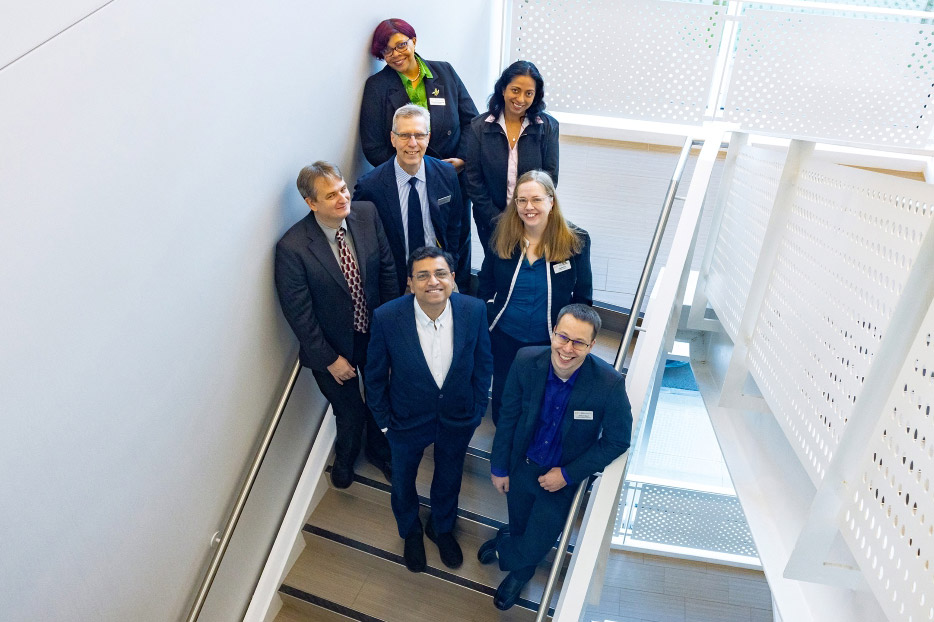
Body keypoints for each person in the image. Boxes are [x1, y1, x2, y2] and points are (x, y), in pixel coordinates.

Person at [478, 304, 632, 611]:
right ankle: (511, 539)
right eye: (563, 337)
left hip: (561, 479)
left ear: (592, 345)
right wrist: (498, 466)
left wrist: (568, 474)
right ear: (553, 333)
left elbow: (618, 440)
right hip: (521, 466)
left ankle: (511, 560)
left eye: (579, 342)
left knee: (537, 541)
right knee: (520, 522)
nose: (567, 348)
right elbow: (508, 416)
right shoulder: (525, 360)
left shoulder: (608, 384)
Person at [365, 247, 493, 573]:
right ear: (410, 283)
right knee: (403, 482)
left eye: (440, 274)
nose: (432, 281)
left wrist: (477, 410)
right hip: (405, 421)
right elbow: (375, 375)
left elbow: (483, 364)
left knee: (449, 477)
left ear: (452, 279)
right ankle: (411, 532)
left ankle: (441, 527)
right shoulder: (387, 317)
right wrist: (382, 423)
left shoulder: (474, 310)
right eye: (422, 275)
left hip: (457, 417)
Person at [274, 162, 396, 489]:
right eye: (331, 195)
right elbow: (299, 314)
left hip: (372, 333)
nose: (343, 198)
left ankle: (379, 452)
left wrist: (389, 335)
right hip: (330, 346)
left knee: (379, 398)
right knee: (350, 411)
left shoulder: (367, 215)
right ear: (311, 203)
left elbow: (386, 273)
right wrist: (329, 359)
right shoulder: (293, 248)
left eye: (343, 189)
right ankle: (345, 458)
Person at [360, 18, 478, 293]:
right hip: (406, 182)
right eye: (386, 51)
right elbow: (373, 146)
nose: (396, 54)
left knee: (455, 240)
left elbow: (472, 122)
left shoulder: (444, 72)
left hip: (452, 177)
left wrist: (460, 161)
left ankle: (453, 299)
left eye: (401, 45)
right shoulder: (377, 86)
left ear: (414, 41)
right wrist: (409, 167)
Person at [477, 170, 592, 425]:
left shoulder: (576, 240)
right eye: (521, 200)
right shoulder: (502, 234)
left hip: (548, 341)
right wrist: (488, 313)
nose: (529, 207)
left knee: (540, 407)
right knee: (504, 407)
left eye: (537, 199)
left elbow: (583, 297)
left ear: (551, 201)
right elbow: (485, 283)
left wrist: (569, 339)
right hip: (505, 338)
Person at [354, 104, 464, 295]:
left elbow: (454, 227)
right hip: (398, 284)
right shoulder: (370, 186)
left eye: (419, 135)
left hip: (439, 277)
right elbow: (365, 244)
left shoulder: (447, 174)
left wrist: (448, 266)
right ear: (392, 138)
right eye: (404, 135)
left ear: (428, 137)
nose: (412, 143)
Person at [465, 60, 559, 255]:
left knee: (527, 269)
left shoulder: (547, 126)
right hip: (489, 219)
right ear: (503, 89)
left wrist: (527, 213)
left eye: (529, 93)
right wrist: (497, 220)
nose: (521, 99)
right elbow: (473, 179)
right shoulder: (479, 126)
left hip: (532, 216)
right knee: (495, 267)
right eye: (515, 90)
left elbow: (549, 177)